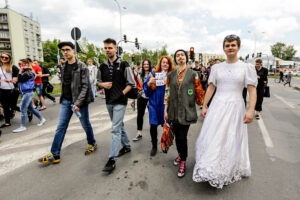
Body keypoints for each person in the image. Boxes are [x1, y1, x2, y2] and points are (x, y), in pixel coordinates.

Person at [193, 34, 257, 188]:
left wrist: (251, 110)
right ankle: (211, 165)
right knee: (213, 135)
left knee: (230, 137)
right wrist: (205, 105)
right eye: (227, 45)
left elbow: (252, 90)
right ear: (223, 48)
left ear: (238, 47)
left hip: (235, 107)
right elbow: (211, 87)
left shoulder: (246, 68)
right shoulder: (216, 68)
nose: (230, 48)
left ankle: (226, 166)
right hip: (217, 105)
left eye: (233, 45)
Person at [38, 41, 97, 164]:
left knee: (85, 124)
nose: (65, 52)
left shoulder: (82, 66)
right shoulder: (63, 66)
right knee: (61, 127)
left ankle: (92, 143)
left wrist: (78, 103)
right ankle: (55, 154)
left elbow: (86, 86)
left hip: (79, 102)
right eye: (63, 50)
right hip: (66, 101)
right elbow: (65, 84)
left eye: (67, 49)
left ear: (73, 50)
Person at [97, 38, 136, 172]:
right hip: (108, 101)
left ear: (115, 49)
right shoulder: (102, 66)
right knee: (119, 125)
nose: (107, 50)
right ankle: (126, 146)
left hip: (120, 101)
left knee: (115, 129)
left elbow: (131, 84)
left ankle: (112, 159)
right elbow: (97, 82)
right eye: (105, 48)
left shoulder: (124, 64)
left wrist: (122, 94)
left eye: (110, 48)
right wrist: (102, 84)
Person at [164, 50, 204, 178]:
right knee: (176, 136)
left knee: (182, 137)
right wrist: (165, 110)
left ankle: (183, 160)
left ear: (186, 58)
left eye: (182, 55)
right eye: (177, 55)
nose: (180, 57)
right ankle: (181, 154)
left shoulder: (193, 74)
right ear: (175, 59)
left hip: (187, 110)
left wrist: (203, 105)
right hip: (174, 111)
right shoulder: (170, 75)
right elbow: (168, 94)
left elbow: (198, 90)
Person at [144, 56, 175, 156]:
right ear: (160, 64)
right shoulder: (152, 75)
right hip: (154, 104)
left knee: (168, 125)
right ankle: (154, 145)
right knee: (153, 126)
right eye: (163, 62)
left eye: (167, 63)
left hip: (166, 105)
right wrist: (149, 83)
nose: (165, 64)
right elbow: (147, 92)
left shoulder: (172, 76)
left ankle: (167, 141)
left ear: (169, 65)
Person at [13, 59, 46, 133]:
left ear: (27, 64)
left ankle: (22, 126)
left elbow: (20, 80)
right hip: (26, 93)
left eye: (22, 64)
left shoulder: (29, 73)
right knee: (31, 108)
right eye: (19, 64)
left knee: (23, 109)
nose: (20, 66)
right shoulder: (26, 73)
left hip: (27, 93)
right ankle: (42, 119)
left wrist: (20, 71)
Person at [132, 59, 152, 141]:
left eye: (147, 64)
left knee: (152, 115)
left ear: (149, 65)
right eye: (144, 64)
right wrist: (133, 99)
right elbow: (135, 87)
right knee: (140, 115)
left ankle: (153, 133)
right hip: (141, 97)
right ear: (142, 65)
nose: (146, 65)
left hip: (151, 98)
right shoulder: (139, 74)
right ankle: (139, 133)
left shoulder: (153, 74)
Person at [0, 52, 19, 128]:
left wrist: (6, 80)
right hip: (2, 89)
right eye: (2, 57)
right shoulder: (0, 67)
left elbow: (15, 80)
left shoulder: (13, 67)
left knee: (13, 106)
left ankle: (27, 111)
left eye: (6, 58)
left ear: (9, 59)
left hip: (11, 90)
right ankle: (7, 122)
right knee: (5, 106)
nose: (4, 58)